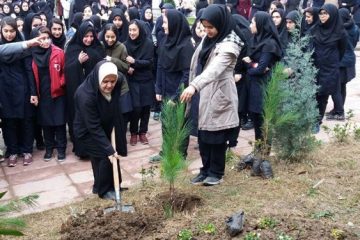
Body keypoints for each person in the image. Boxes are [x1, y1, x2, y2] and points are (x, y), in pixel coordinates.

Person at [180, 4, 242, 186]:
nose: (207, 31)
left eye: (210, 27)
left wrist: (194, 85)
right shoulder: (207, 39)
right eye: (204, 27)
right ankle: (205, 169)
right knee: (202, 135)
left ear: (221, 24)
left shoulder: (230, 45)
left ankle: (216, 172)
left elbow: (214, 70)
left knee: (216, 137)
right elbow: (196, 62)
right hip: (202, 93)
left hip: (218, 95)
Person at [73, 60, 127, 199]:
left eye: (112, 81)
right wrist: (108, 148)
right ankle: (104, 190)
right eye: (105, 81)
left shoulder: (118, 80)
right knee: (104, 155)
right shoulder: (85, 96)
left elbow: (114, 100)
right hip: (86, 130)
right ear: (98, 78)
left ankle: (112, 185)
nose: (109, 85)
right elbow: (93, 127)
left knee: (113, 155)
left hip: (106, 123)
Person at [150, 9, 195, 161]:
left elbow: (187, 75)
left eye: (165, 22)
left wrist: (176, 97)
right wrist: (158, 88)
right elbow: (161, 66)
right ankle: (165, 152)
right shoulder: (165, 40)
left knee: (180, 125)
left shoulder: (186, 46)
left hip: (180, 93)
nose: (162, 26)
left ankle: (180, 155)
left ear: (174, 24)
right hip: (165, 90)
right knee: (166, 124)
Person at [65, 21, 105, 156]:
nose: (89, 39)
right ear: (80, 35)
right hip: (79, 92)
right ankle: (82, 149)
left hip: (96, 91)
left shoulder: (98, 48)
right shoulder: (72, 48)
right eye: (86, 36)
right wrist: (78, 63)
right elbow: (67, 70)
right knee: (80, 118)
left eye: (91, 36)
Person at [0, 17, 37, 167]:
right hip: (4, 88)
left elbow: (29, 70)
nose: (9, 34)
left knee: (26, 119)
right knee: (9, 121)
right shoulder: (1, 47)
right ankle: (13, 150)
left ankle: (27, 149)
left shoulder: (24, 48)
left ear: (16, 31)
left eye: (12, 31)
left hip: (22, 87)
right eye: (6, 31)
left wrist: (33, 92)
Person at [244, 11, 282, 151]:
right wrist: (252, 65)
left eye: (253, 22)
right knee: (255, 119)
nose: (251, 25)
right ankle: (258, 151)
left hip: (263, 86)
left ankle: (263, 153)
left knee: (262, 120)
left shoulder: (269, 44)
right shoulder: (256, 40)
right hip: (254, 85)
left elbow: (261, 69)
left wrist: (250, 67)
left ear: (260, 24)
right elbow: (250, 63)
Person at [30, 26, 67, 161]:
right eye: (42, 39)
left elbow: (65, 70)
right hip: (43, 94)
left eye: (47, 38)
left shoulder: (58, 52)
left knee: (60, 122)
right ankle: (49, 148)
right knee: (46, 124)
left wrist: (61, 83)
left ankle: (62, 149)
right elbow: (31, 77)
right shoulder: (32, 54)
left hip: (58, 93)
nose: (46, 42)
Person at [311, 4, 347, 131]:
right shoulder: (316, 28)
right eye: (321, 13)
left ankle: (317, 121)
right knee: (316, 95)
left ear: (332, 15)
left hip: (331, 68)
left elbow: (342, 50)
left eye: (325, 13)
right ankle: (313, 119)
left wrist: (332, 62)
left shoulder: (340, 32)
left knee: (323, 95)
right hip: (316, 66)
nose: (322, 16)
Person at [124, 19, 154, 146]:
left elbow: (150, 62)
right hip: (133, 80)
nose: (131, 32)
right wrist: (127, 67)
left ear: (140, 30)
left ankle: (143, 132)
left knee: (146, 108)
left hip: (146, 80)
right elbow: (123, 60)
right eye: (130, 30)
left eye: (134, 30)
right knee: (136, 108)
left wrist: (135, 62)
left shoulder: (148, 44)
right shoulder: (125, 45)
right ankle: (134, 133)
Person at [326, 7, 358, 120]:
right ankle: (337, 109)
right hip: (349, 60)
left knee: (336, 87)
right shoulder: (355, 28)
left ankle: (339, 112)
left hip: (341, 62)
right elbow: (353, 44)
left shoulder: (339, 30)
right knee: (341, 86)